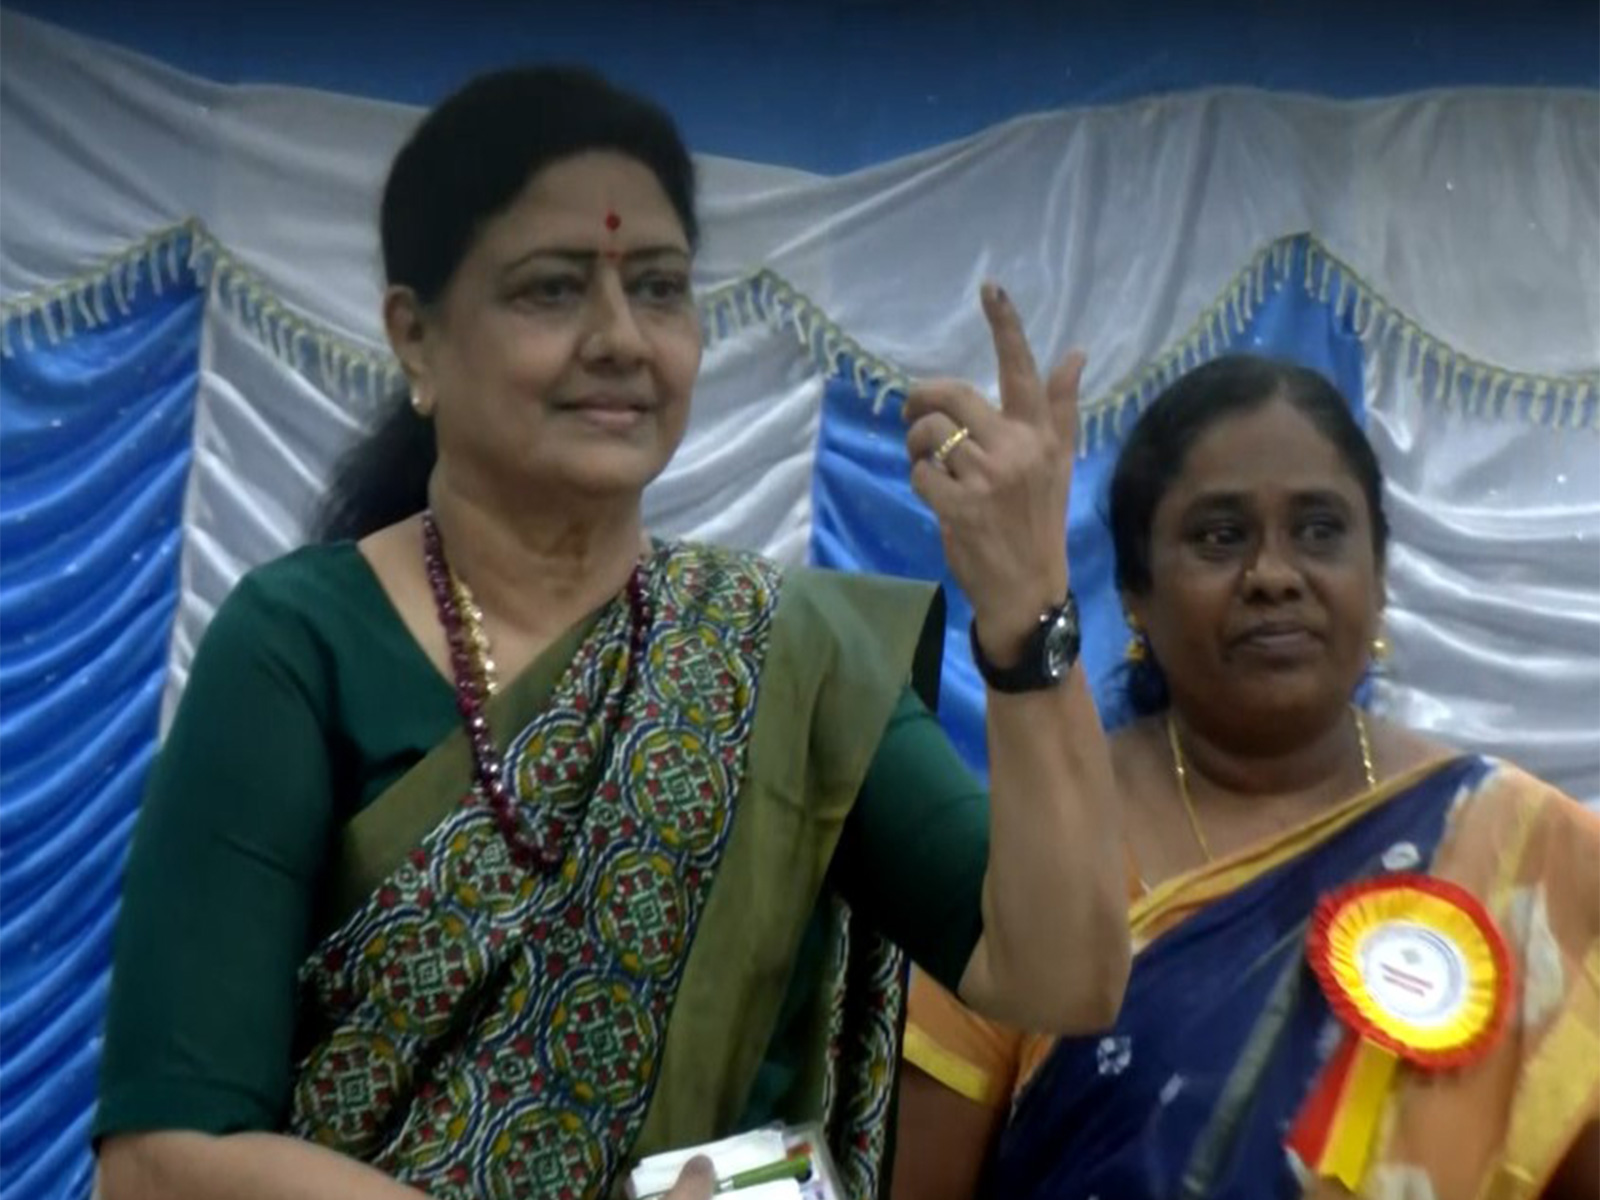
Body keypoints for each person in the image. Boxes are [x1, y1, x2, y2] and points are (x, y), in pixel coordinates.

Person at [91, 66, 1130, 1200]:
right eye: (551, 290)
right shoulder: (300, 647)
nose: (621, 338)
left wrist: (1027, 613)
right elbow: (163, 1163)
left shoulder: (785, 653)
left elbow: (1059, 977)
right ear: (417, 339)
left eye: (659, 288)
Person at [891, 355, 1600, 1200]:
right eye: (1220, 536)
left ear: (1379, 578)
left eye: (1320, 530)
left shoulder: (1533, 849)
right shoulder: (1029, 845)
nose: (1274, 575)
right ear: (1137, 592)